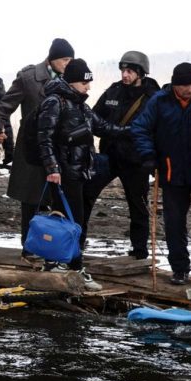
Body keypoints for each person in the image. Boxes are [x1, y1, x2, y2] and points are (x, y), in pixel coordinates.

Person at [37, 58, 125, 291]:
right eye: (85, 83)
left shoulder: (80, 105)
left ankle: (64, 264)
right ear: (74, 81)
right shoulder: (55, 102)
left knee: (77, 221)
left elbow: (103, 127)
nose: (89, 87)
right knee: (71, 222)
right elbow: (44, 138)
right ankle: (71, 267)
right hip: (64, 174)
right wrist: (53, 169)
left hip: (82, 172)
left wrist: (134, 131)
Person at [0, 38, 75, 255]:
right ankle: (28, 247)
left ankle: (53, 248)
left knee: (57, 200)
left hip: (58, 149)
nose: (68, 63)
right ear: (52, 58)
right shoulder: (29, 77)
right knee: (31, 201)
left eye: (70, 59)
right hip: (31, 148)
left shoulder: (71, 78)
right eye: (64, 59)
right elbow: (5, 106)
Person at [81, 51, 161, 259]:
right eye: (123, 71)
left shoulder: (153, 97)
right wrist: (111, 131)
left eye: (130, 71)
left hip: (136, 161)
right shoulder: (113, 92)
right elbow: (94, 118)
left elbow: (157, 129)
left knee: (138, 206)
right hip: (109, 156)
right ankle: (76, 243)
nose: (125, 75)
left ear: (141, 72)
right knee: (85, 196)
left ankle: (140, 251)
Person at [131, 62, 191, 285]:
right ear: (175, 84)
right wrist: (147, 155)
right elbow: (140, 128)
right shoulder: (160, 101)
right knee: (174, 223)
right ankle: (180, 269)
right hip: (172, 172)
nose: (190, 89)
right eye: (185, 86)